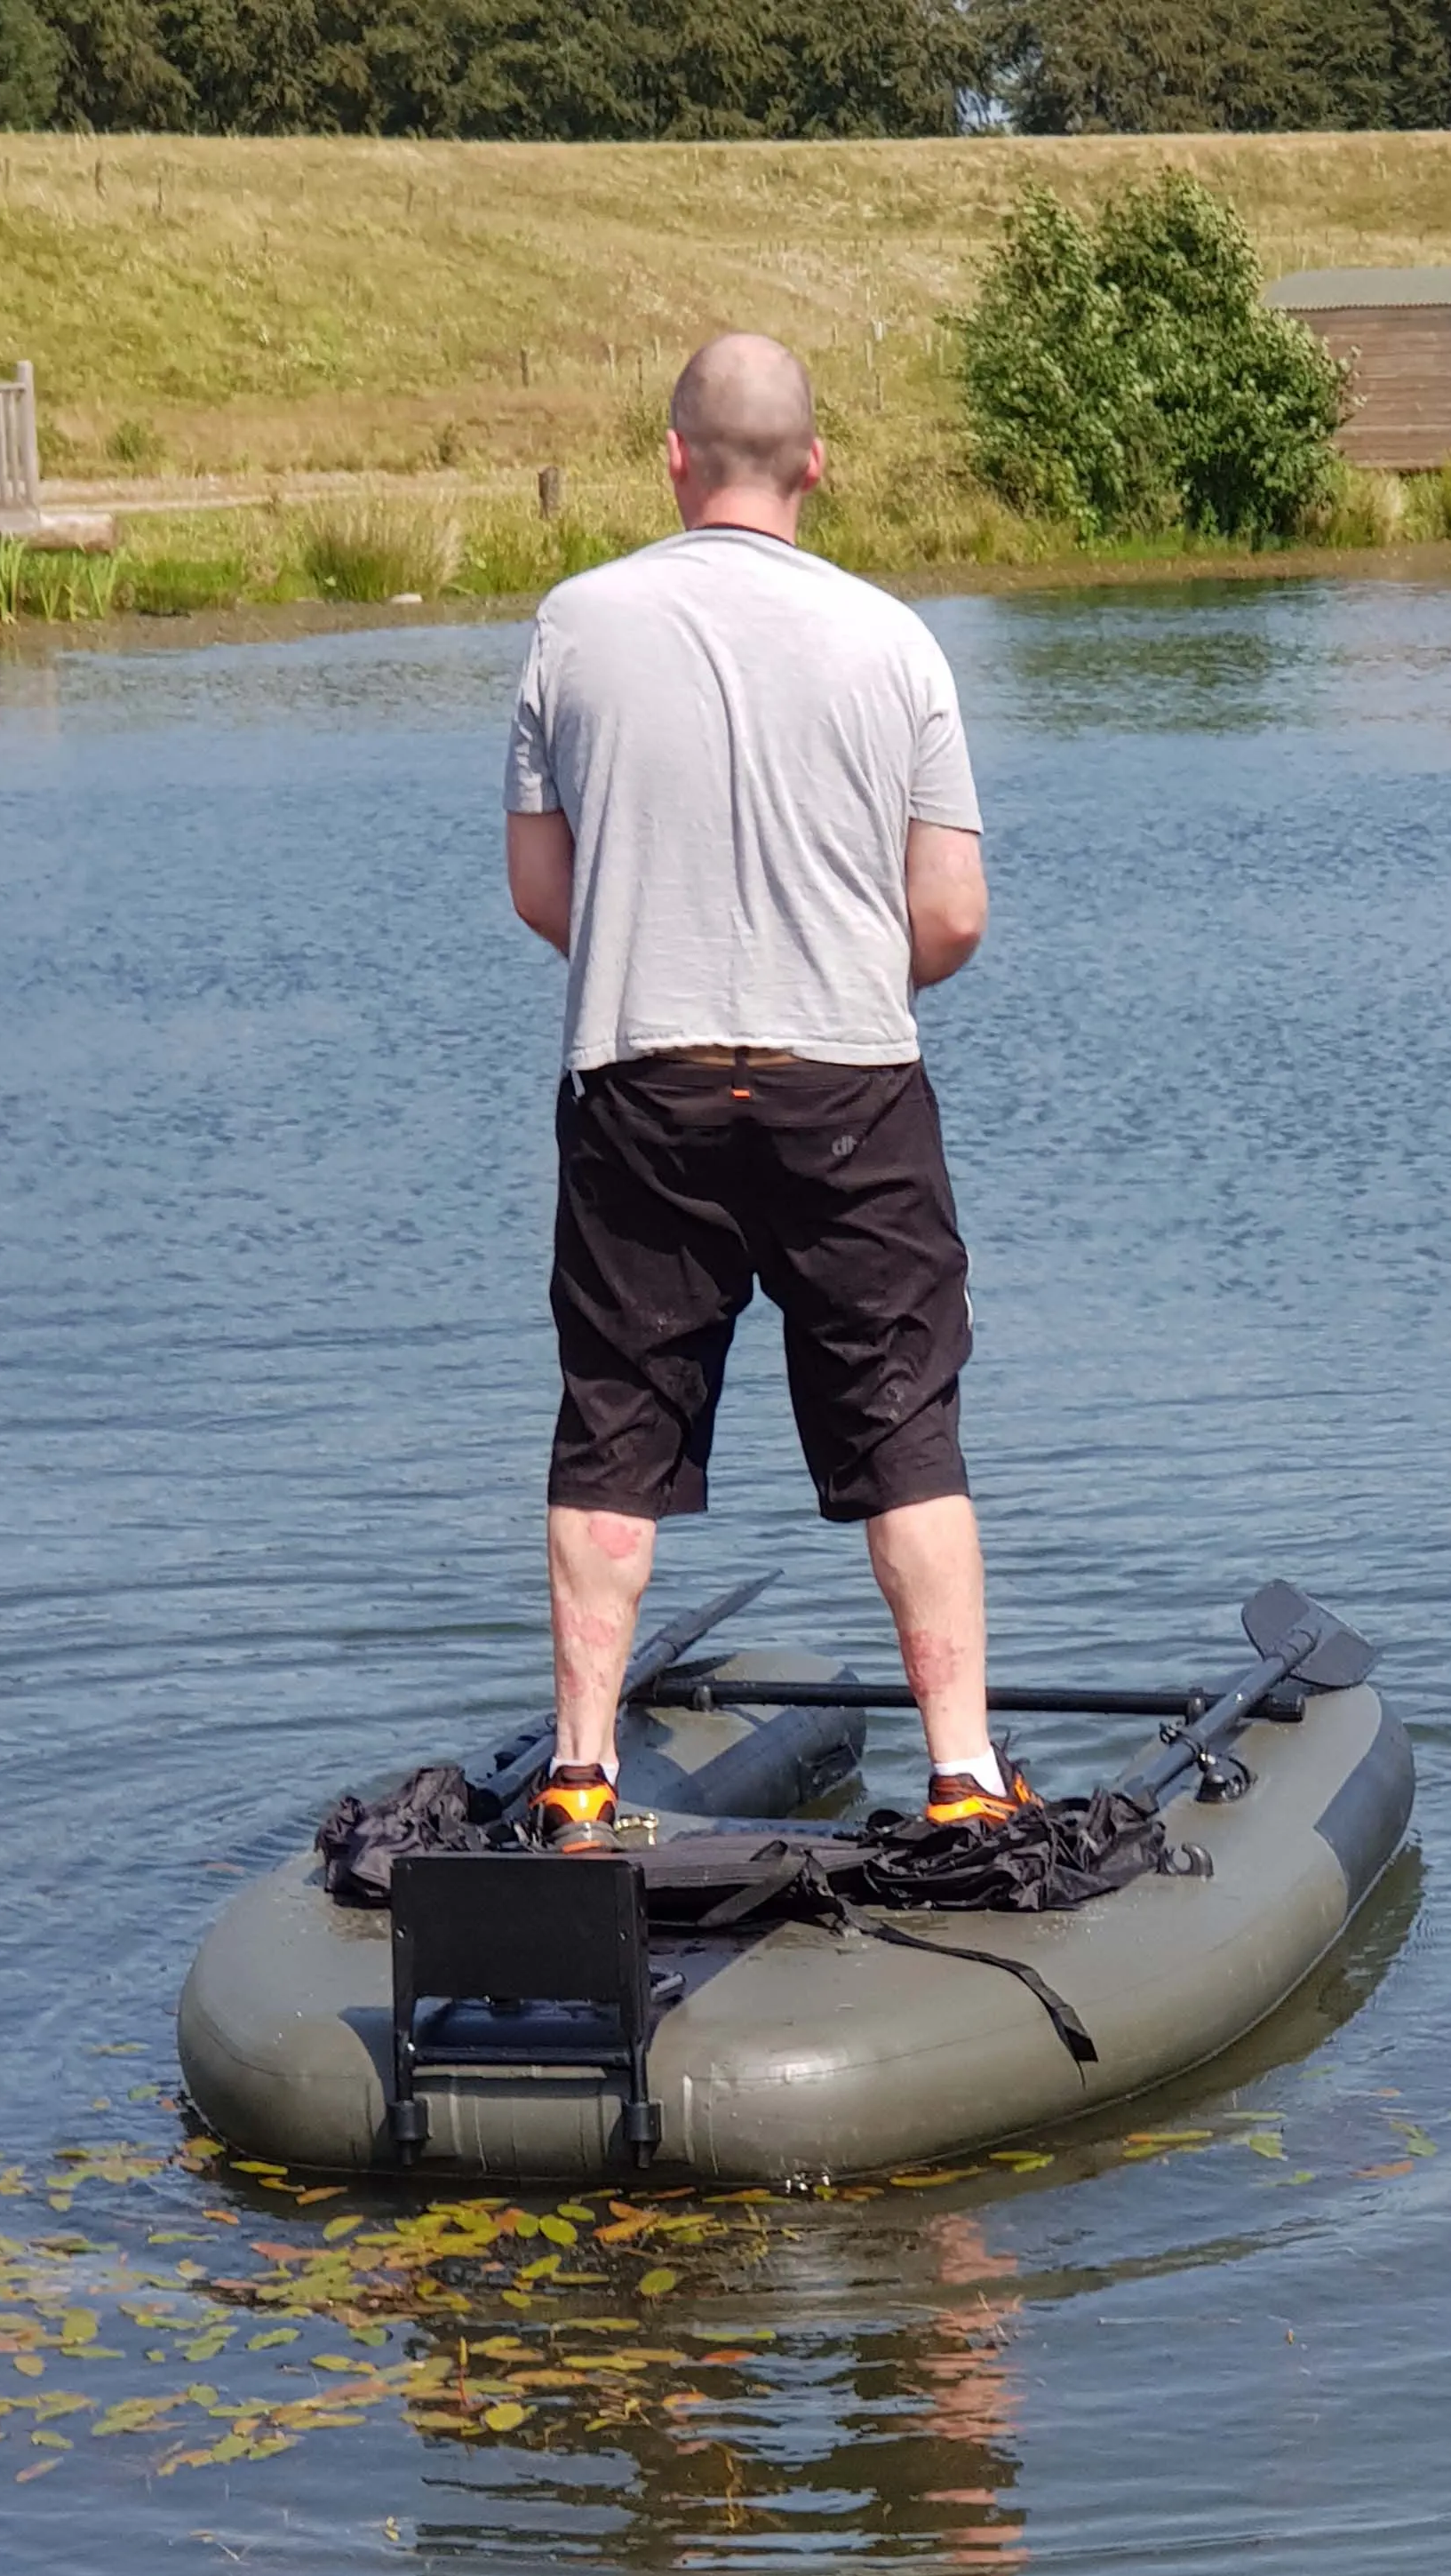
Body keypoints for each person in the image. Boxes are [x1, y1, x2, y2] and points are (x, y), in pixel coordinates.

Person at [503, 328, 1032, 1851]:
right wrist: (845, 985)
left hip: (637, 1079)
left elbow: (546, 891)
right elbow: (954, 916)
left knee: (611, 1430)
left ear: (672, 459)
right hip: (850, 1087)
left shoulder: (572, 625)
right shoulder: (896, 643)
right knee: (907, 1432)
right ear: (816, 464)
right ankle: (961, 1781)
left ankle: (584, 1772)